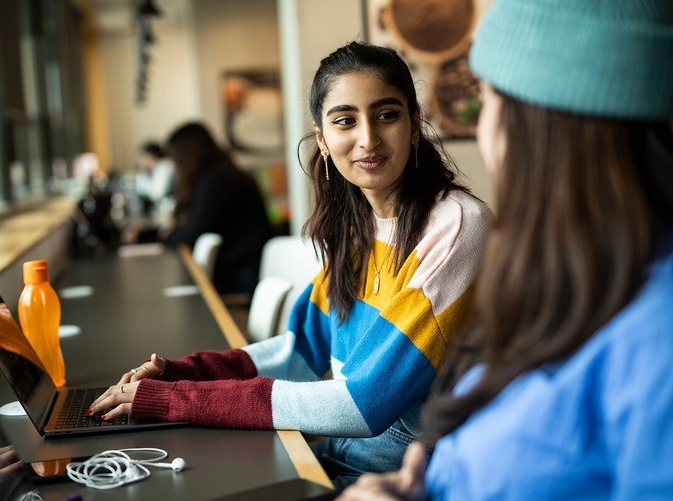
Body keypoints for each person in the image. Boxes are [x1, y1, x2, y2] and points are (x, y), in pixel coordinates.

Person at [88, 42, 490, 487]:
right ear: (322, 138)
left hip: (419, 471)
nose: (368, 138)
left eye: (387, 115)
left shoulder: (457, 226)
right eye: (345, 121)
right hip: (351, 454)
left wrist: (183, 400)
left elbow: (364, 404)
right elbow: (299, 353)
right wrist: (183, 372)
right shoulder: (359, 226)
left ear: (414, 125)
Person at [338, 0, 673, 499]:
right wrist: (421, 479)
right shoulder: (554, 273)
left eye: (488, 98)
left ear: (531, 127)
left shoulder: (656, 334)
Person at [161, 122, 273, 294]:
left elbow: (196, 231)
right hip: (242, 266)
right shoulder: (220, 174)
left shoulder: (217, 180)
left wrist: (166, 238)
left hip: (242, 272)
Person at [135, 142, 176, 217]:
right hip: (163, 209)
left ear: (151, 155)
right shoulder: (153, 169)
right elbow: (140, 191)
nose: (140, 160)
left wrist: (143, 173)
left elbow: (157, 193)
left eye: (142, 156)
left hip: (170, 208)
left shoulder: (164, 166)